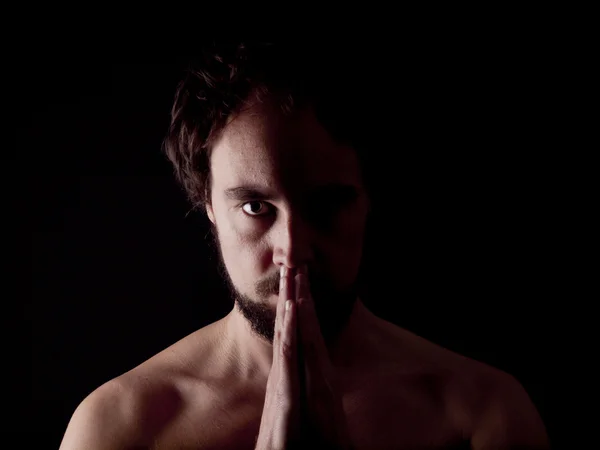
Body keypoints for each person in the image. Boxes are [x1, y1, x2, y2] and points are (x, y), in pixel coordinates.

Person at [59, 42, 550, 449]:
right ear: (206, 203)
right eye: (255, 207)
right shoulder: (120, 428)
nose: (292, 252)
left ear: (368, 198)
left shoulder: (481, 416)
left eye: (327, 206)